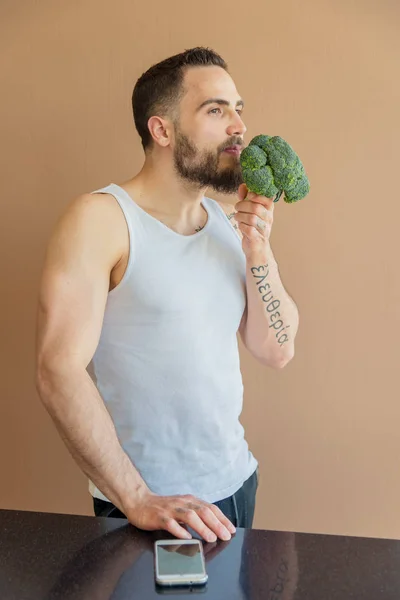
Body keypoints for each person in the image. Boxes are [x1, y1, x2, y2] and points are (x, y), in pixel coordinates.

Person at [35, 47, 299, 543]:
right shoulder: (100, 220)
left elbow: (277, 349)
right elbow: (57, 369)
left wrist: (258, 249)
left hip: (236, 484)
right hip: (149, 504)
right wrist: (135, 498)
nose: (239, 126)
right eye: (216, 110)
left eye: (238, 108)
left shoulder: (226, 225)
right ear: (162, 130)